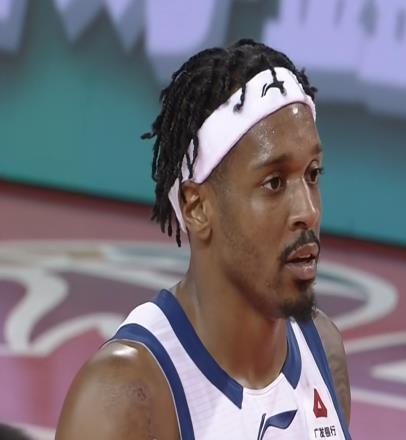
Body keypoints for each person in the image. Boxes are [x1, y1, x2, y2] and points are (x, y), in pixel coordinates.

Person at [56, 39, 351, 439]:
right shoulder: (126, 398)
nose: (308, 210)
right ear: (196, 207)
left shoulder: (324, 350)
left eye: (313, 174)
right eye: (274, 182)